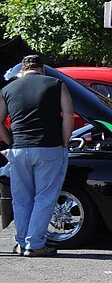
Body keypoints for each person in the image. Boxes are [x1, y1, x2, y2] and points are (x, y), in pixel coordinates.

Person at [0, 54, 73, 256]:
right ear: (42, 69)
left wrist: (10, 142)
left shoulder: (7, 89)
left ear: (22, 71)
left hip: (19, 149)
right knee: (45, 197)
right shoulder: (56, 84)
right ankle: (35, 244)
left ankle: (22, 242)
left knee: (21, 199)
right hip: (49, 147)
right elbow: (68, 115)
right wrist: (64, 143)